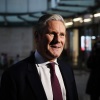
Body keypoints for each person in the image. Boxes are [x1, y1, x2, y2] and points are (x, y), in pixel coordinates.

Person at [0, 14, 78, 100]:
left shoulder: (68, 70)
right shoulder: (14, 75)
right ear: (37, 36)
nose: (58, 40)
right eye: (52, 33)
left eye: (62, 35)